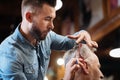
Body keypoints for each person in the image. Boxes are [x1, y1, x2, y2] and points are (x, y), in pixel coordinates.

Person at [0, 0, 98, 80]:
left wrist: (84, 34)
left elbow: (68, 42)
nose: (52, 26)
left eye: (53, 19)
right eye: (47, 19)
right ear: (29, 17)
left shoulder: (46, 36)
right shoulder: (10, 55)